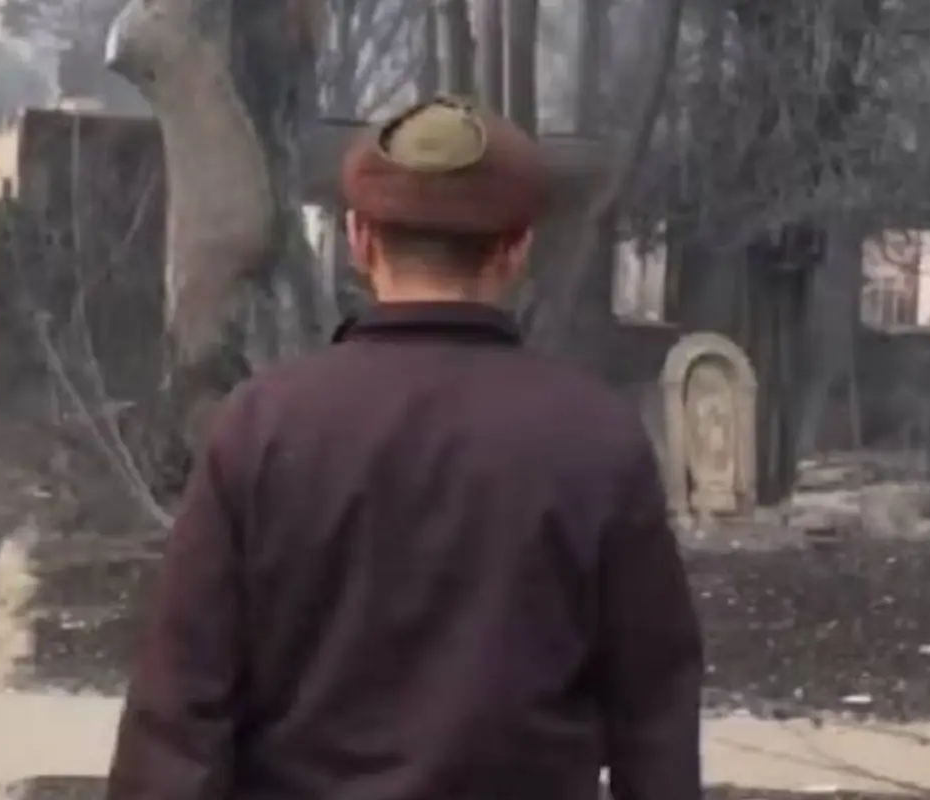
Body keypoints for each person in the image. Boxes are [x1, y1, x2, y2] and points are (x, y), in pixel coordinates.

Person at [106, 96, 703, 800]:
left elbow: (179, 711)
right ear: (516, 250)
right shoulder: (597, 440)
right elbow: (653, 710)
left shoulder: (261, 427)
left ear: (360, 240)